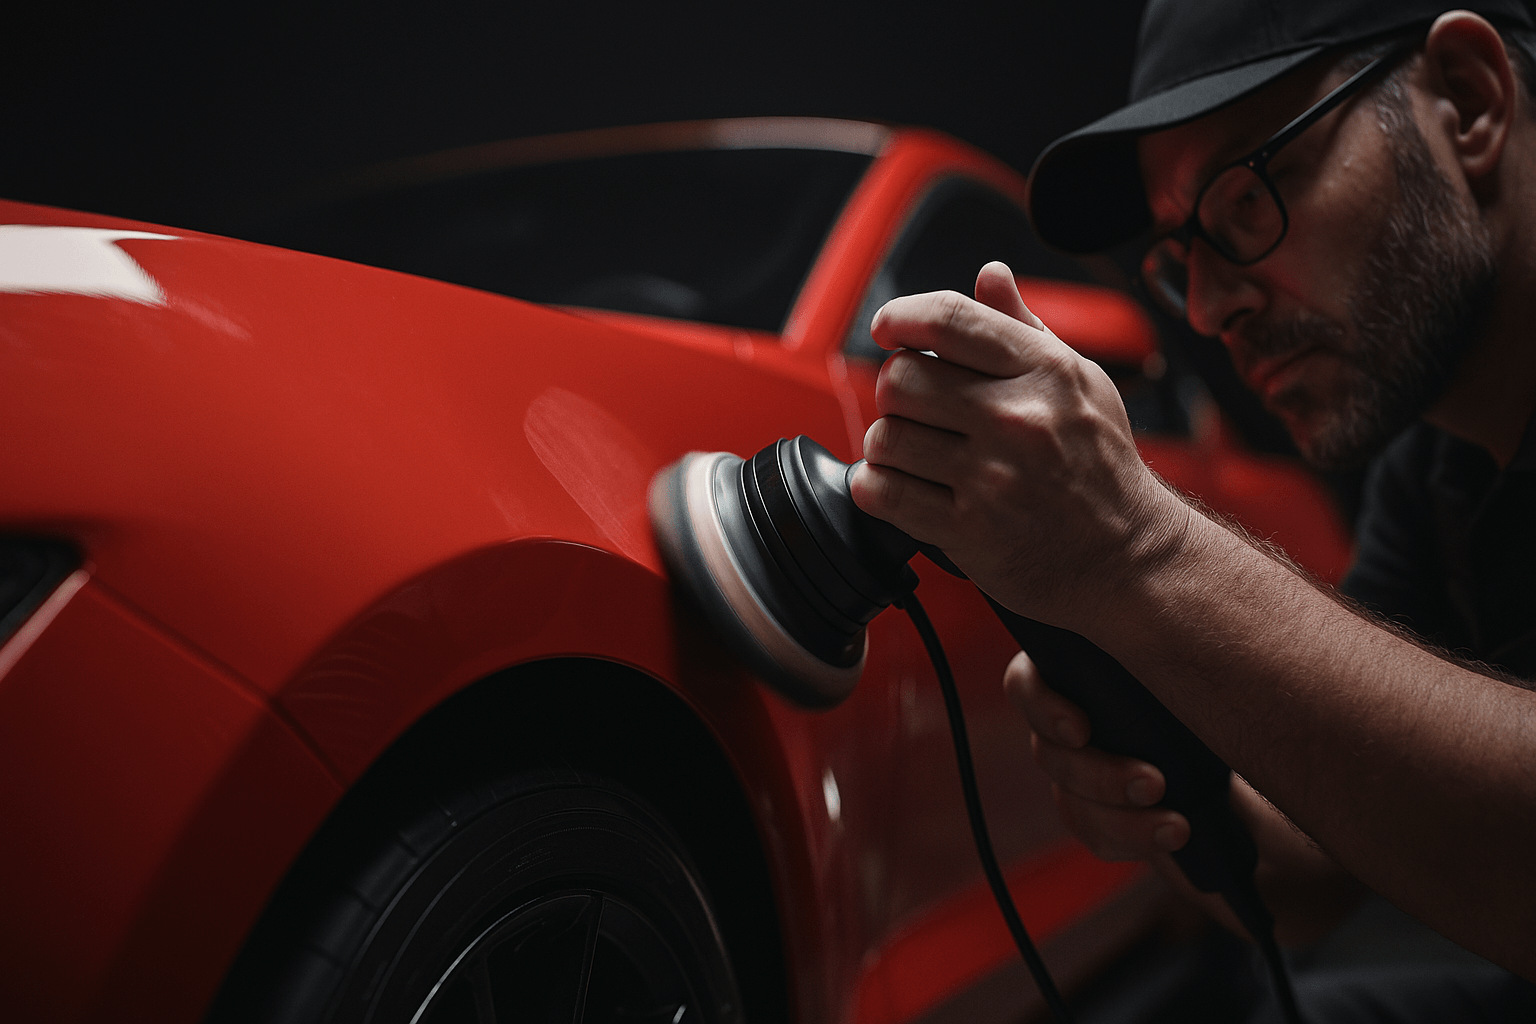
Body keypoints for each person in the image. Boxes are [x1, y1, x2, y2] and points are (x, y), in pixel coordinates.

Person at [849, 0, 1536, 1019]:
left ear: (1469, 102)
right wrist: (1164, 742)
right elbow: (1313, 875)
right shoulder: (1437, 473)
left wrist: (1137, 547)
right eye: (1179, 259)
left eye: (1246, 198)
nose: (1210, 311)